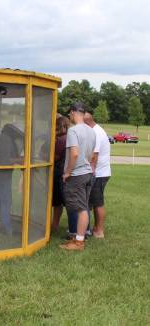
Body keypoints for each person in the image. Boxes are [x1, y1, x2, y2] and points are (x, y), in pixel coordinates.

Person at [59, 102, 96, 251]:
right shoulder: (91, 131)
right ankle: (78, 237)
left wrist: (68, 172)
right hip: (87, 173)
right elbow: (91, 154)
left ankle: (79, 242)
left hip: (77, 175)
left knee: (80, 209)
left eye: (70, 114)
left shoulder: (73, 131)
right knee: (84, 207)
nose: (69, 116)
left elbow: (74, 153)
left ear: (74, 112)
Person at [84, 109, 111, 239]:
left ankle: (99, 231)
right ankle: (91, 228)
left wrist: (89, 174)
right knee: (93, 201)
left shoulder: (96, 133)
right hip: (98, 172)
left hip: (99, 174)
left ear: (87, 123)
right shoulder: (96, 130)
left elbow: (94, 156)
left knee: (98, 202)